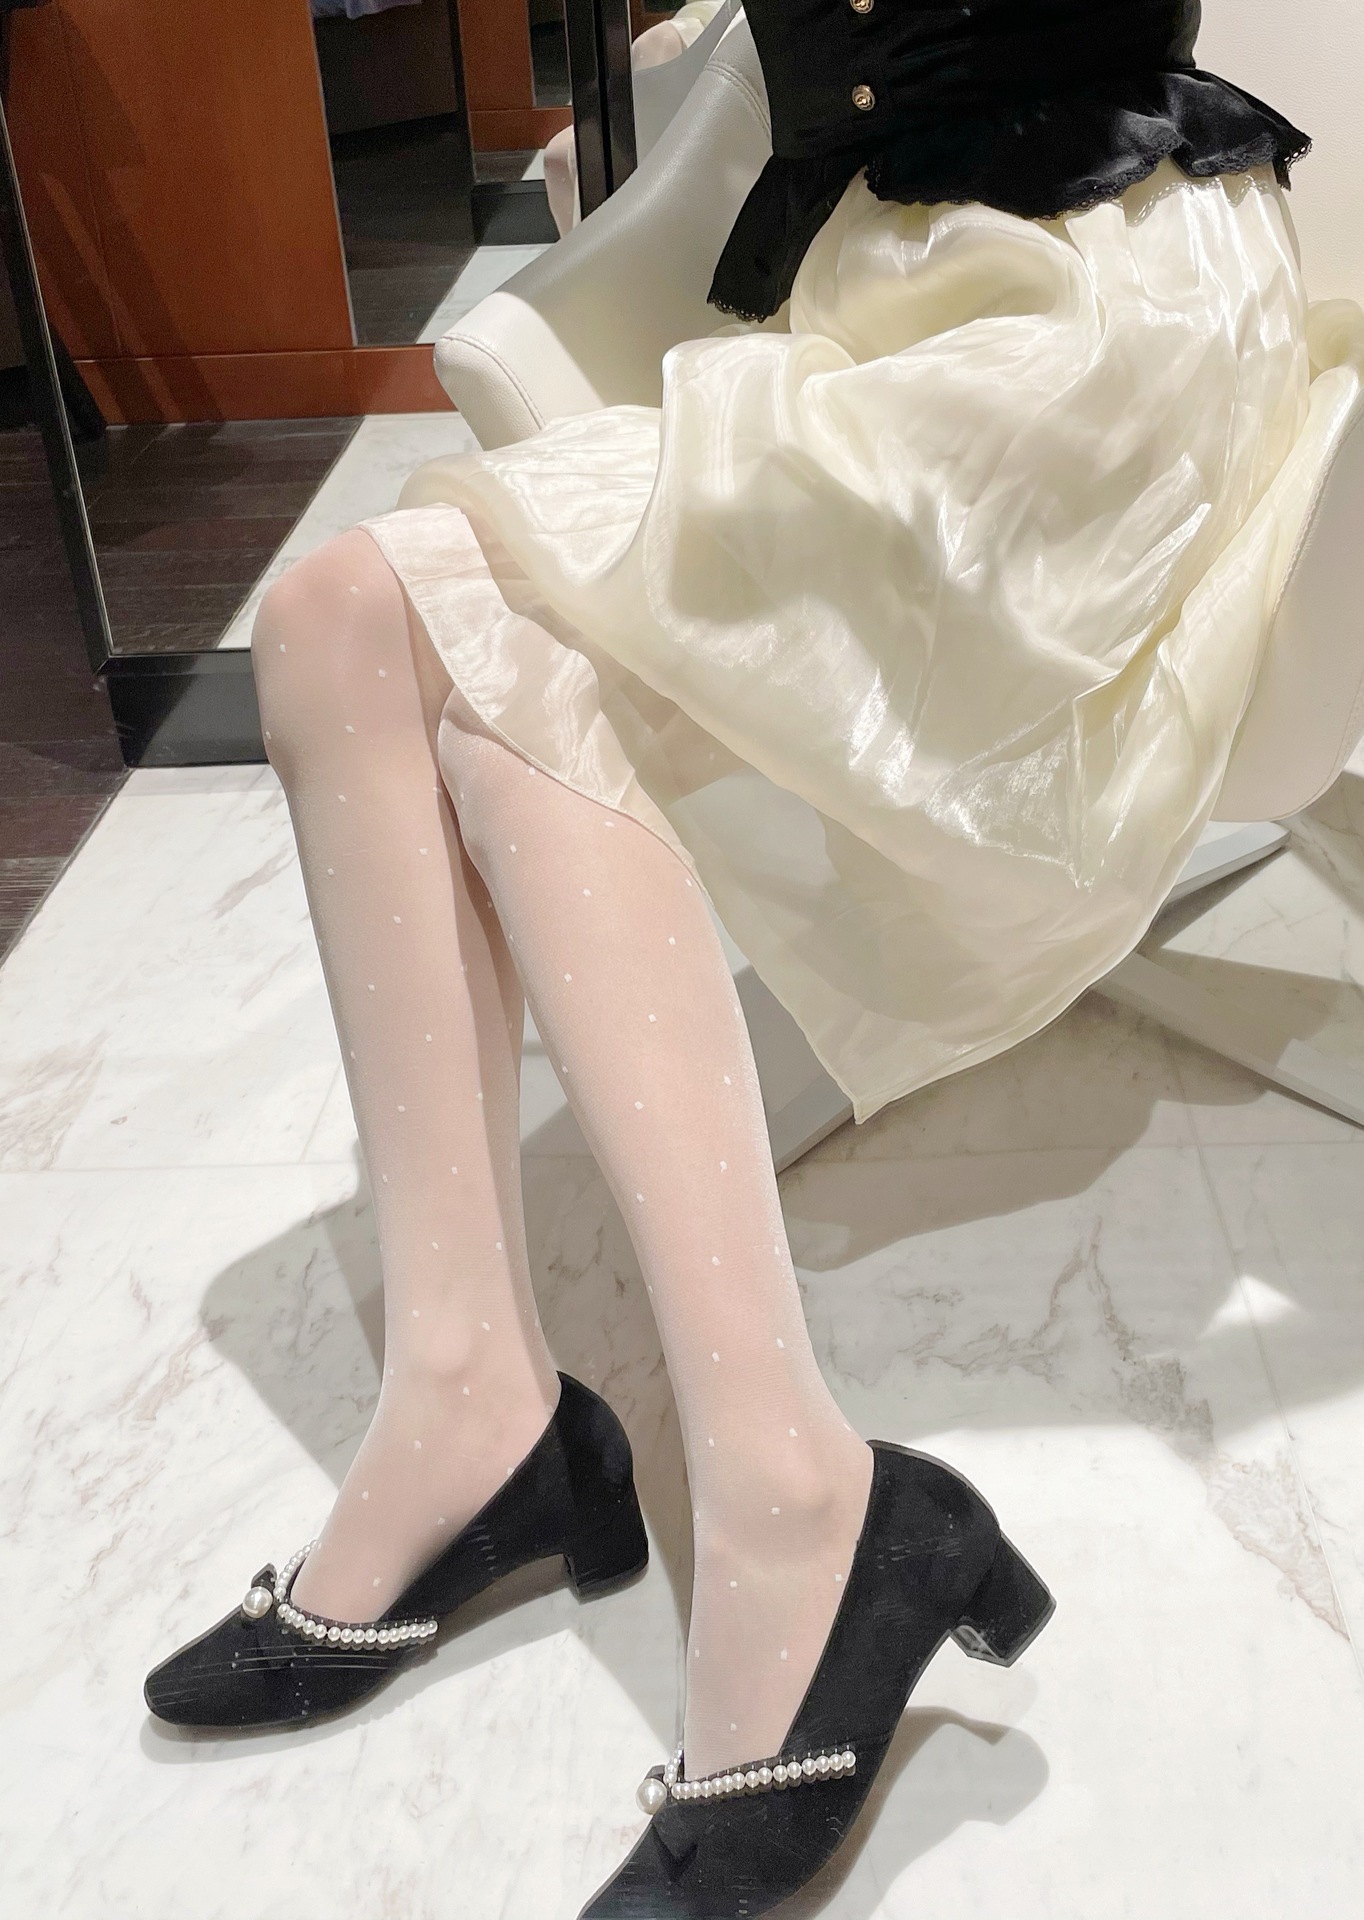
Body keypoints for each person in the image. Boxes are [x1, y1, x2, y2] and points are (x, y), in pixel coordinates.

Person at [146, 3, 1326, 1913]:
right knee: (333, 629)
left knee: (488, 673)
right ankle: (469, 1399)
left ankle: (793, 1495)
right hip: (879, 295)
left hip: (1095, 325)